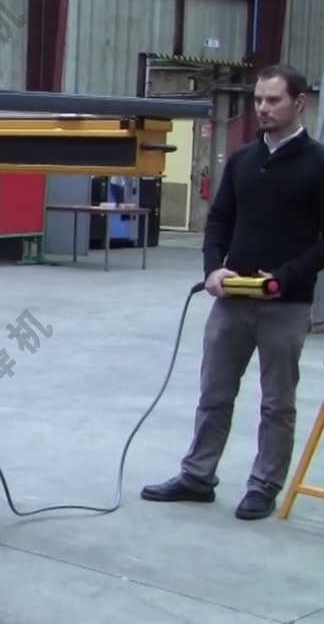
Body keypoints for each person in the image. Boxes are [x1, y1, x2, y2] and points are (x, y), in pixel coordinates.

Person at [141, 63, 324, 520]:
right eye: (258, 99)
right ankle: (197, 476)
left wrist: (284, 277)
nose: (263, 107)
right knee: (214, 393)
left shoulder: (318, 163)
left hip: (285, 304)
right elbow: (219, 220)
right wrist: (212, 270)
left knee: (276, 403)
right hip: (232, 300)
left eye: (273, 100)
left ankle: (264, 486)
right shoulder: (242, 160)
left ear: (299, 103)